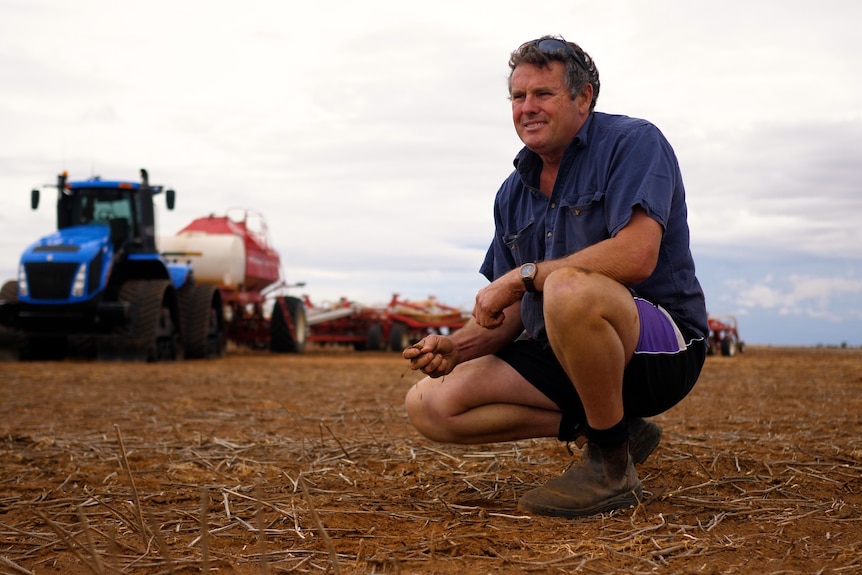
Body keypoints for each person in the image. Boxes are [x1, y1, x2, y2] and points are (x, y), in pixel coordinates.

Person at [403, 35, 708, 518]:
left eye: (542, 94)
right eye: (518, 96)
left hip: (658, 348)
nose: (527, 107)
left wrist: (522, 277)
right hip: (564, 352)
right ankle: (614, 428)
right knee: (430, 405)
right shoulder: (513, 191)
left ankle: (611, 468)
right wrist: (455, 348)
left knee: (565, 288)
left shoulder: (633, 143)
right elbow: (507, 315)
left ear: (583, 98)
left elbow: (636, 256)